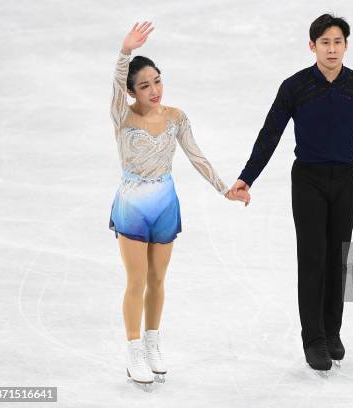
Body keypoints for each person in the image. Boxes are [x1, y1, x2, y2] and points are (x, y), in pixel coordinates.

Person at [231, 14, 353, 372]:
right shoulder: (295, 87)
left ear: (346, 45)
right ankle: (313, 339)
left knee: (337, 260)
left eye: (337, 42)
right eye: (324, 42)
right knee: (312, 259)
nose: (331, 49)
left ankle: (332, 332)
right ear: (312, 46)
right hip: (307, 180)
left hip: (344, 180)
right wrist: (248, 178)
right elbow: (270, 134)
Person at [109, 21, 250, 390]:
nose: (154, 90)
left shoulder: (176, 117)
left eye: (157, 81)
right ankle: (133, 349)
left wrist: (225, 189)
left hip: (165, 203)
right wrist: (124, 53)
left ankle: (153, 343)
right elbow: (114, 84)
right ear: (130, 91)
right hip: (132, 205)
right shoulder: (122, 116)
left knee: (158, 279)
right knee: (136, 279)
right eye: (144, 85)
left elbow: (196, 156)